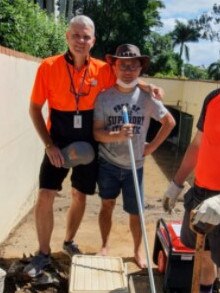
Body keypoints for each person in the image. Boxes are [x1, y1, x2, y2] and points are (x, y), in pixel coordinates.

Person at [24, 15, 164, 277]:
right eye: (76, 35)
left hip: (90, 142)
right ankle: (43, 253)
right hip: (59, 141)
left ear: (93, 41)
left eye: (86, 36)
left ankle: (68, 241)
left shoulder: (102, 69)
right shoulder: (48, 66)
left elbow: (128, 77)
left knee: (80, 194)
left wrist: (149, 86)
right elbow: (34, 108)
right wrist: (48, 145)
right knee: (45, 195)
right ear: (67, 36)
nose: (80, 40)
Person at [93, 44, 175, 268]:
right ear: (115, 67)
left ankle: (138, 252)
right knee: (106, 205)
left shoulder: (148, 98)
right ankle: (104, 245)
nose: (128, 70)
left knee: (136, 212)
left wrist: (150, 148)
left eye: (133, 66)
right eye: (123, 65)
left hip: (135, 166)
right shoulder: (104, 98)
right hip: (109, 163)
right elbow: (97, 133)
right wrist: (117, 134)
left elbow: (169, 122)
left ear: (140, 68)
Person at [162, 88, 220, 293]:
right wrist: (176, 183)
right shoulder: (213, 98)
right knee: (203, 255)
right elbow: (197, 143)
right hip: (200, 194)